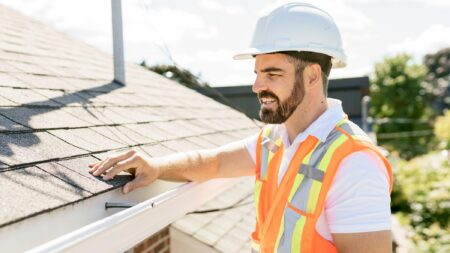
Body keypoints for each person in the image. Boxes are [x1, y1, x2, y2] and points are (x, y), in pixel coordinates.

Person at [88, 2, 393, 253]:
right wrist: (154, 166)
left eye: (272, 74)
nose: (257, 85)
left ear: (313, 76)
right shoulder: (275, 139)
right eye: (257, 72)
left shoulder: (354, 162)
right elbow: (214, 162)